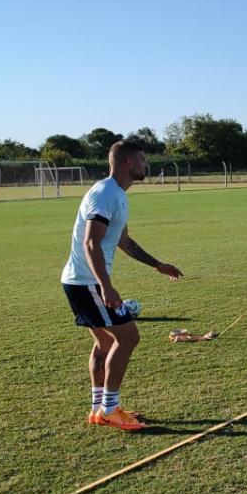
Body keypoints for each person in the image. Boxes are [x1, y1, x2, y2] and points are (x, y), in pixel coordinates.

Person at [61, 141, 183, 431]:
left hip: (81, 281)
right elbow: (90, 242)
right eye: (142, 159)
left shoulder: (118, 196)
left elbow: (123, 241)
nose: (146, 164)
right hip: (87, 282)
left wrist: (157, 264)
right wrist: (106, 286)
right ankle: (110, 410)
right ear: (128, 163)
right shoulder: (105, 193)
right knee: (128, 338)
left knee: (104, 342)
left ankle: (98, 409)